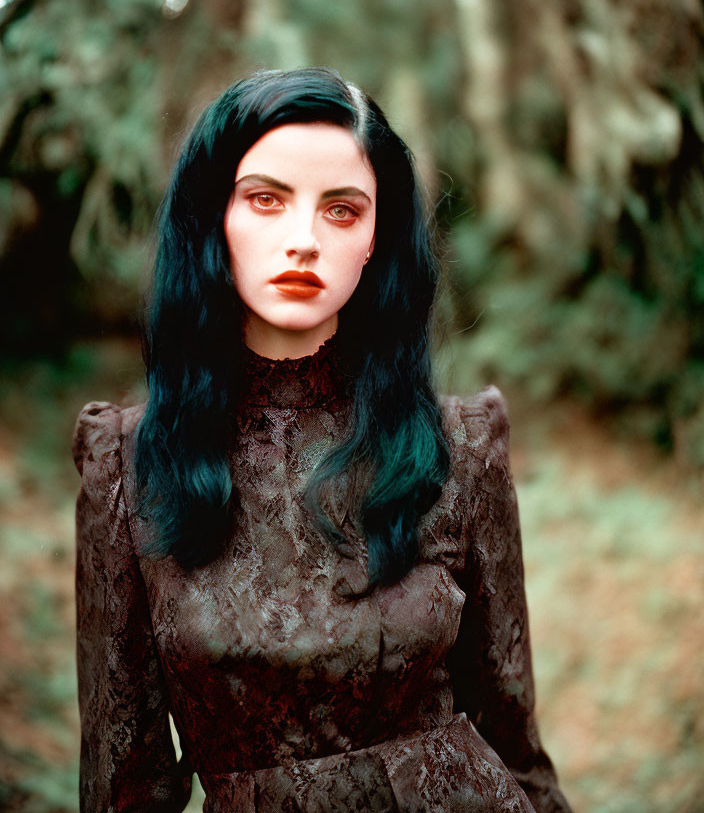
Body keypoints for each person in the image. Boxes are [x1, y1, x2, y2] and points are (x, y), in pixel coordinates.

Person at [72, 67, 573, 813]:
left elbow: (511, 731)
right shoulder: (127, 461)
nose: (303, 240)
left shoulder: (460, 443)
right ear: (213, 217)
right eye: (266, 200)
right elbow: (126, 782)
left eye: (342, 210)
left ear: (376, 238)